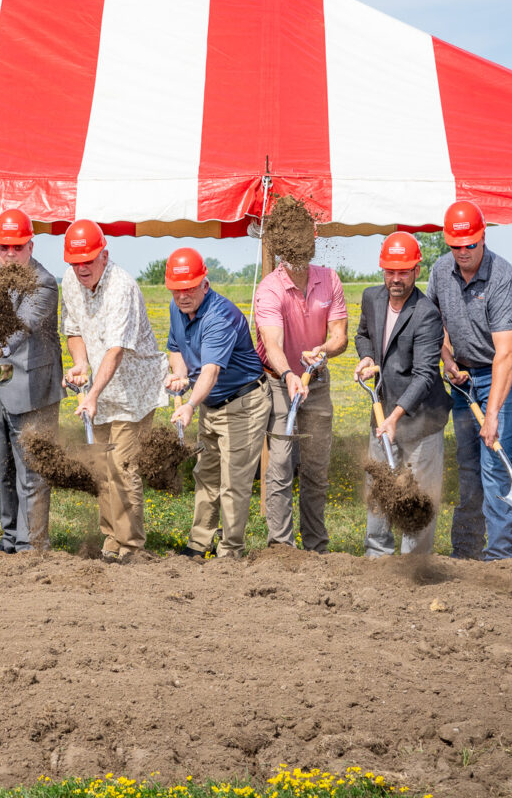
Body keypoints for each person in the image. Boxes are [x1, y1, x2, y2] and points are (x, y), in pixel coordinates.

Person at [424, 199, 512, 561]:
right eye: (455, 246)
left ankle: (499, 556)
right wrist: (447, 357)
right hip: (466, 373)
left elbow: (505, 353)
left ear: (483, 238)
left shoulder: (503, 279)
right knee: (469, 460)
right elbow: (433, 320)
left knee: (494, 457)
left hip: (508, 371)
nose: (462, 253)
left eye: (469, 245)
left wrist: (491, 415)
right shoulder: (441, 272)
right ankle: (467, 550)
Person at [60, 219, 166, 563]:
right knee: (101, 465)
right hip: (101, 388)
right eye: (75, 263)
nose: (81, 269)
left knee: (123, 465)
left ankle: (131, 546)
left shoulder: (122, 286)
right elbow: (73, 330)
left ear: (104, 254)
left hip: (133, 390)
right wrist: (80, 365)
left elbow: (116, 349)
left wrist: (90, 394)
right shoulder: (70, 282)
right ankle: (111, 539)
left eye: (88, 261)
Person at [0, 208, 63, 553]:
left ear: (31, 246)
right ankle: (9, 539)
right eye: (3, 246)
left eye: (17, 247)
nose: (10, 254)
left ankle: (32, 546)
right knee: (2, 470)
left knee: (32, 473)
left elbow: (22, 326)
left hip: (34, 391)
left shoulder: (45, 283)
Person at [165, 248, 270, 560]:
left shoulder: (219, 316)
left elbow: (211, 370)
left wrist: (189, 405)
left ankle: (230, 551)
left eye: (189, 289)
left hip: (243, 403)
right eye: (176, 290)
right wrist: (180, 375)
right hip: (210, 404)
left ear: (205, 284)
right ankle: (199, 543)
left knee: (233, 481)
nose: (182, 296)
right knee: (207, 474)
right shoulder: (176, 308)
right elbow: (174, 347)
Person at [354, 232, 451, 556]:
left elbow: (425, 375)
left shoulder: (426, 313)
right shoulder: (371, 297)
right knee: (380, 485)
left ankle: (414, 564)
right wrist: (367, 357)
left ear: (416, 271)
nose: (396, 278)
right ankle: (377, 555)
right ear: (382, 269)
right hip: (382, 410)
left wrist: (396, 416)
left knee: (417, 495)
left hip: (421, 419)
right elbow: (364, 335)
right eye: (390, 271)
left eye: (403, 271)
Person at [254, 231, 348, 551]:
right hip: (281, 384)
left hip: (317, 383)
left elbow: (340, 336)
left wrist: (323, 350)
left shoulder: (329, 279)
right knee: (280, 463)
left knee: (316, 467)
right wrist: (290, 375)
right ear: (281, 250)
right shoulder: (269, 289)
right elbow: (272, 344)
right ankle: (281, 547)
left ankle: (316, 545)